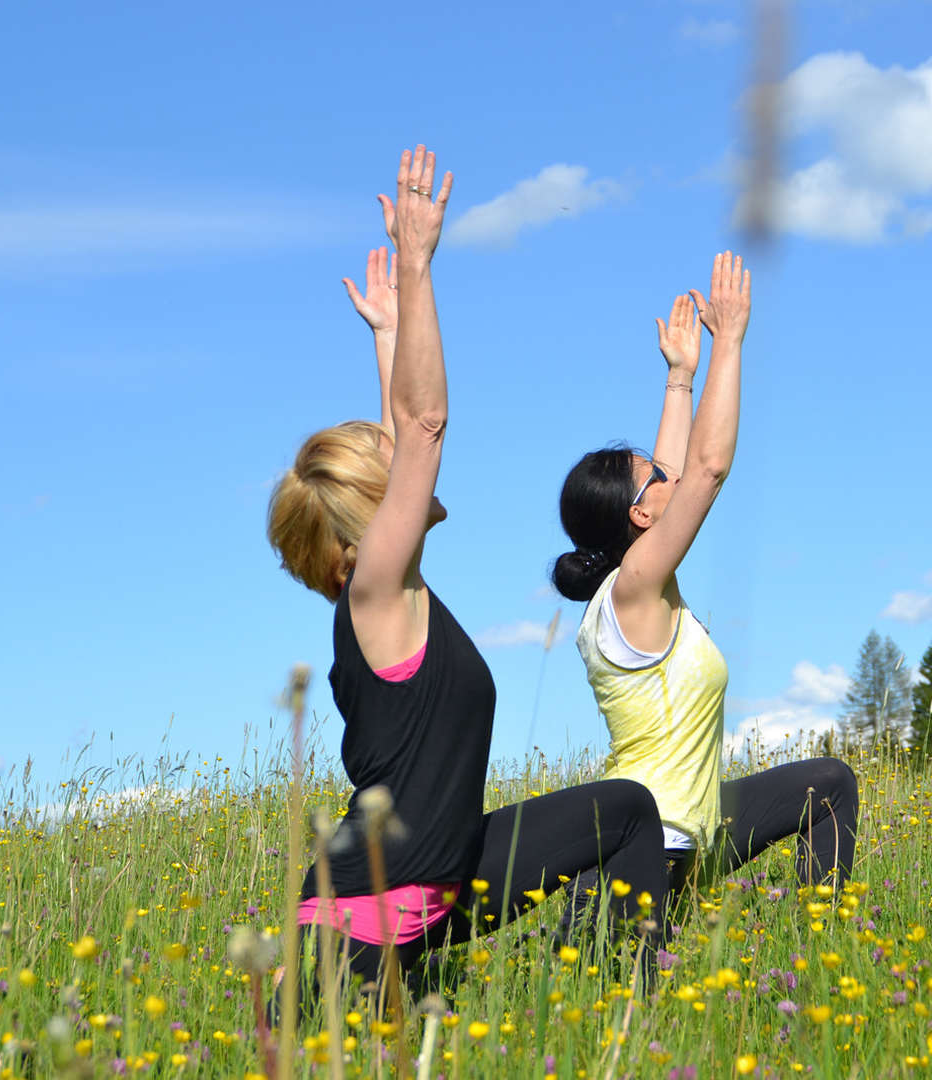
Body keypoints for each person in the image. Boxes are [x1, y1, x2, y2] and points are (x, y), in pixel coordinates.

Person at [266, 145, 669, 994]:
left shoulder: (392, 590)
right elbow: (421, 425)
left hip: (446, 883)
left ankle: (632, 1003)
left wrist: (387, 333)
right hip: (362, 921)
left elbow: (400, 429)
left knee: (628, 808)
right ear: (376, 506)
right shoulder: (375, 592)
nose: (412, 471)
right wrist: (417, 268)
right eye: (391, 467)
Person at [550, 253, 857, 921]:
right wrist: (732, 345)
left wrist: (681, 377)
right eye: (658, 480)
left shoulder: (642, 583)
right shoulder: (634, 587)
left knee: (829, 784)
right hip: (641, 847)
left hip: (693, 828)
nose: (672, 476)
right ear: (639, 515)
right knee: (626, 1013)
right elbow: (708, 468)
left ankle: (827, 950)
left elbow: (677, 469)